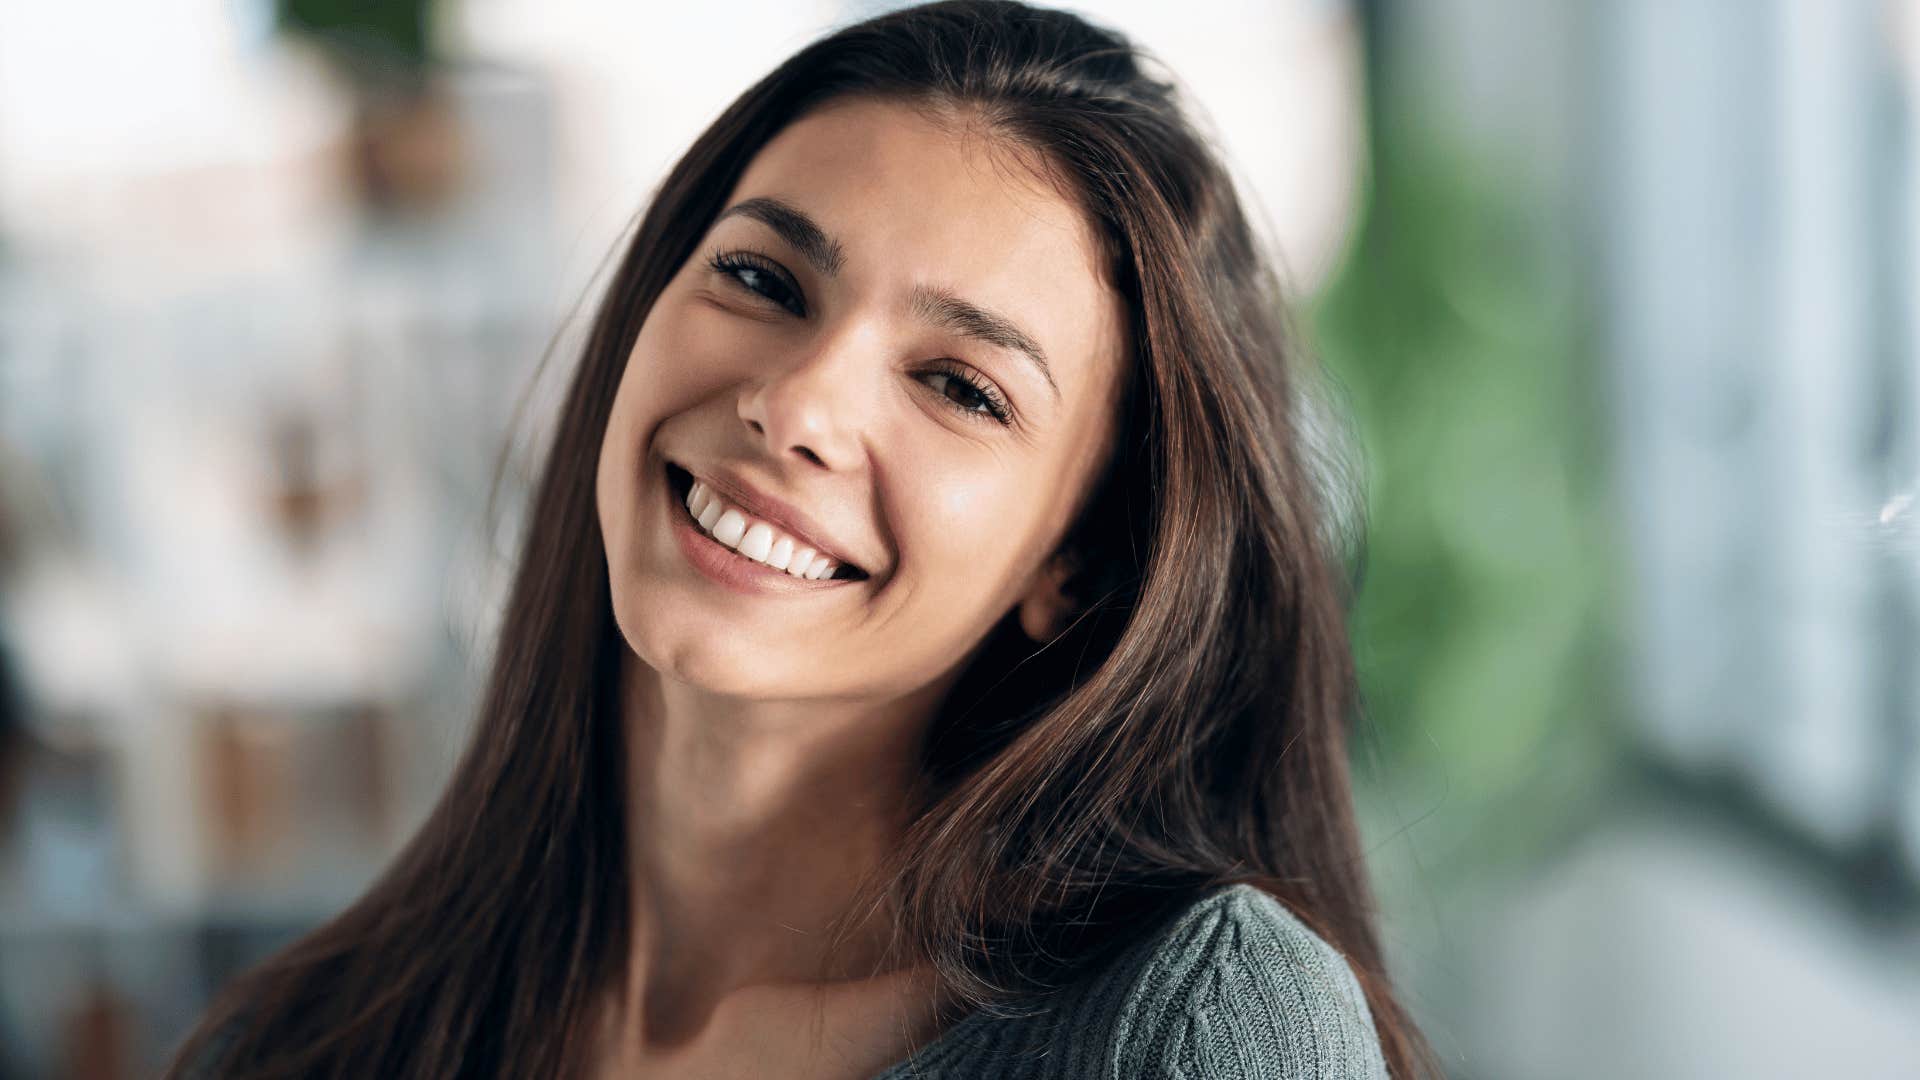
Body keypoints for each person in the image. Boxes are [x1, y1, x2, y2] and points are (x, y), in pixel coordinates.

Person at [168, 2, 1439, 1076]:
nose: (796, 403)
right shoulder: (310, 1039)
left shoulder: (1193, 1031)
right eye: (764, 280)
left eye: (961, 387)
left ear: (1082, 562)